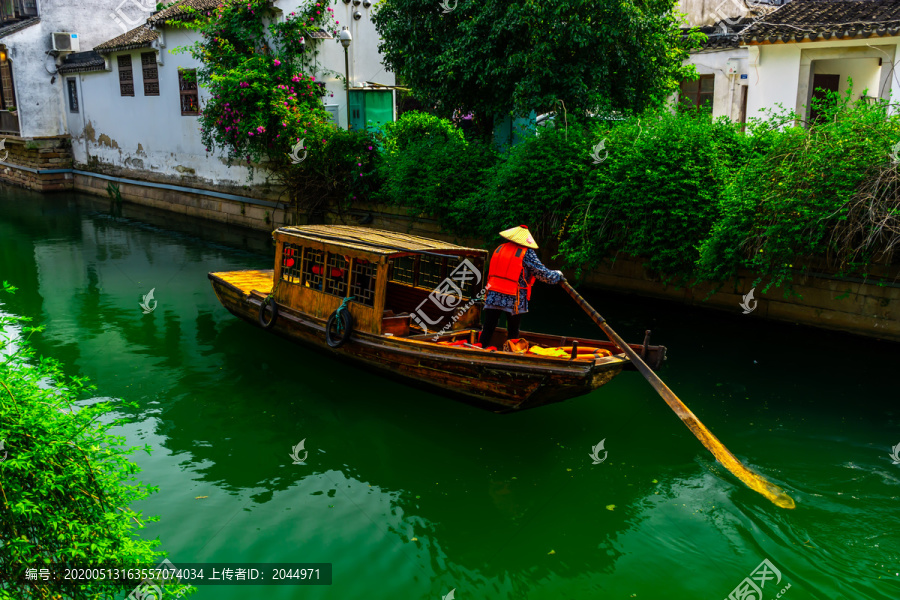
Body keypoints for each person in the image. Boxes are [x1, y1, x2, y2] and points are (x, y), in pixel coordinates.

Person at [479, 225, 564, 349]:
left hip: (493, 293)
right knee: (513, 331)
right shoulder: (527, 252)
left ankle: (480, 348)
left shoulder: (500, 248)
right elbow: (543, 274)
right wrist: (557, 275)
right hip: (514, 296)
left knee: (488, 327)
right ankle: (510, 355)